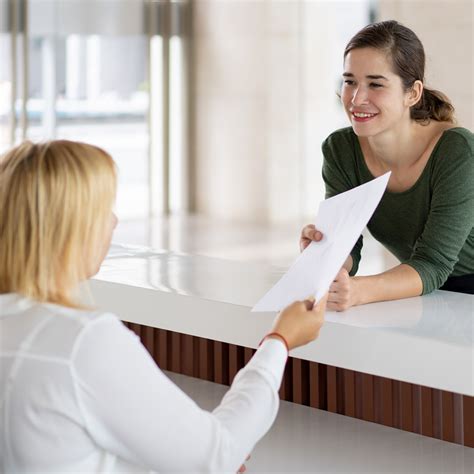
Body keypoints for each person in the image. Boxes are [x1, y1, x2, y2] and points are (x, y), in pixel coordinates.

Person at [0, 140, 326, 473]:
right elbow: (217, 455)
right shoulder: (82, 341)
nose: (113, 223)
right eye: (103, 210)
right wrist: (280, 341)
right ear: (70, 229)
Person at [300, 20, 474, 311]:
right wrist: (325, 255)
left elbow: (433, 263)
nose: (357, 98)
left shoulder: (458, 152)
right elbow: (348, 244)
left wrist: (358, 291)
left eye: (375, 84)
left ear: (413, 93)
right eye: (349, 81)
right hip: (428, 293)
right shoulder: (340, 150)